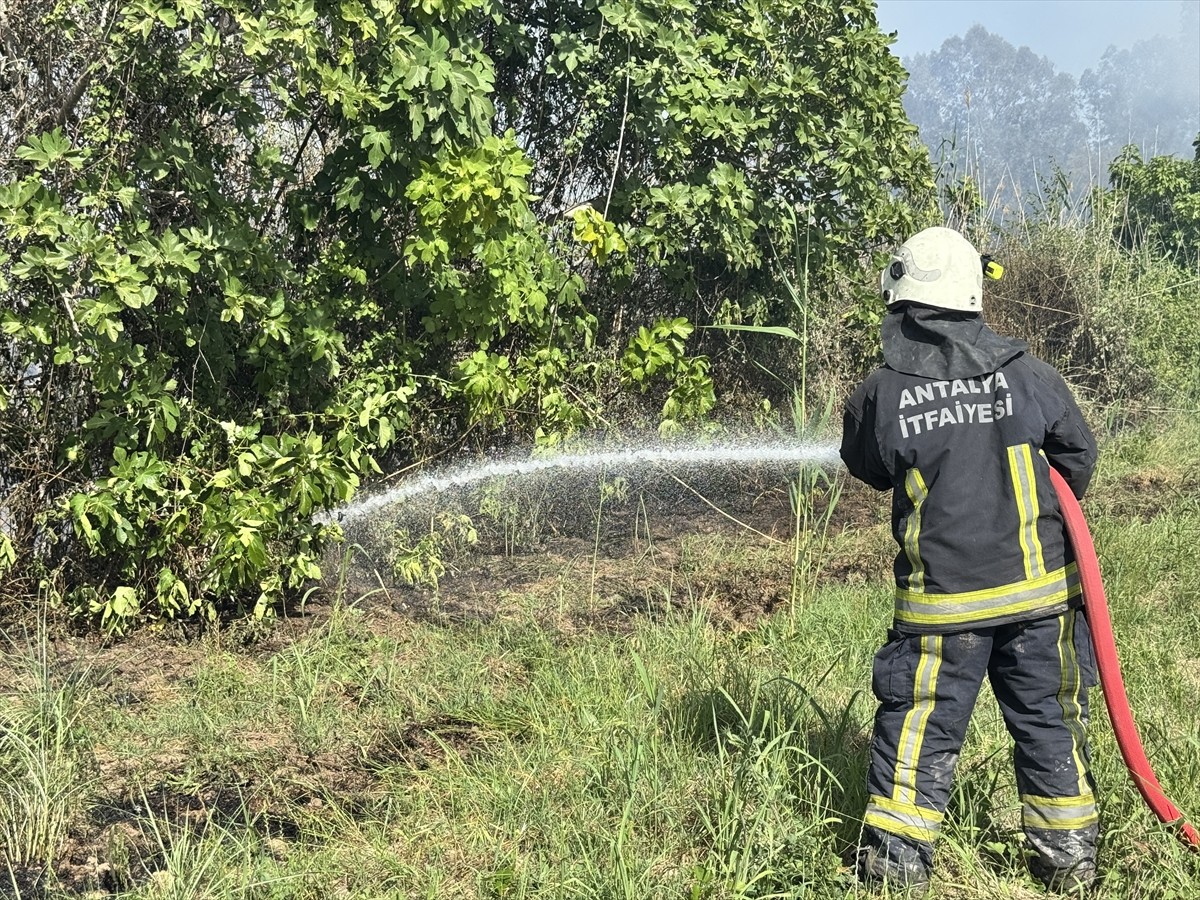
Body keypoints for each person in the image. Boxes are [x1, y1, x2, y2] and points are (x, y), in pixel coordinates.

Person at [839, 226, 1100, 893]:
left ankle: (895, 874)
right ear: (973, 292)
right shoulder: (1029, 374)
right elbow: (1078, 459)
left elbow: (868, 466)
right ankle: (1069, 863)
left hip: (942, 609)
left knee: (919, 731)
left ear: (902, 300)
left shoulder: (882, 390)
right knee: (1049, 719)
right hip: (1041, 598)